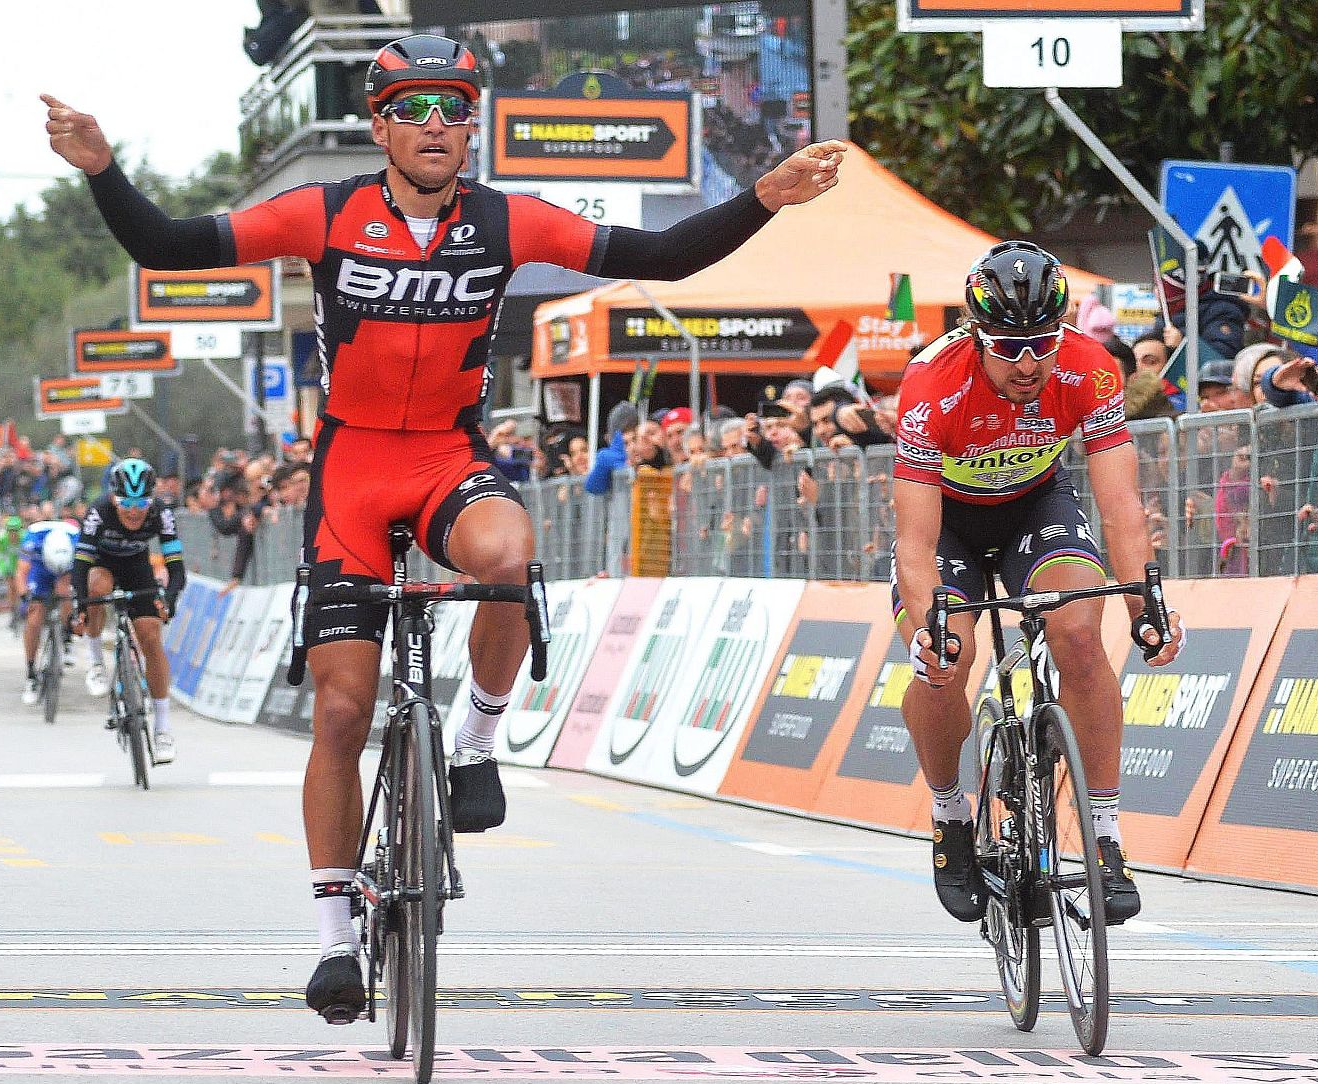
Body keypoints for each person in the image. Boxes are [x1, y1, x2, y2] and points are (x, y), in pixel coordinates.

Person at [43, 31, 845, 1024]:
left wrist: (764, 196)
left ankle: (474, 738)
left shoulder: (508, 222)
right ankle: (335, 936)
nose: (434, 123)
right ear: (378, 125)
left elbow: (663, 256)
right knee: (340, 709)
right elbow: (166, 247)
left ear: (473, 124)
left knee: (511, 555)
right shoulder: (325, 212)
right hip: (352, 469)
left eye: (453, 106)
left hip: (445, 459)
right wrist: (102, 169)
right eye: (413, 106)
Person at [892, 241, 1185, 929]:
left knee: (1081, 633)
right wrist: (929, 625)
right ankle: (950, 816)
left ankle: (1105, 837)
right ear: (975, 335)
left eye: (1042, 345)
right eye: (1006, 346)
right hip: (951, 527)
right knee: (947, 661)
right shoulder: (931, 386)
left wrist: (1148, 602)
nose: (1028, 364)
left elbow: (1119, 505)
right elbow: (915, 542)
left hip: (1036, 506)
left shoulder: (1090, 369)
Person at [70, 458, 185, 763]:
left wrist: (168, 600)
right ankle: (95, 661)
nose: (134, 510)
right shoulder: (99, 511)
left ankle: (162, 729)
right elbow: (80, 566)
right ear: (113, 497)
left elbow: (177, 569)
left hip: (137, 569)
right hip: (102, 566)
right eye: (126, 502)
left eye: (141, 502)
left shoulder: (162, 512)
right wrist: (79, 607)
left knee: (150, 636)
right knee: (96, 589)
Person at [18, 518, 80, 703]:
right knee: (34, 615)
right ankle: (31, 672)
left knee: (67, 593)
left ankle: (67, 636)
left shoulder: (76, 539)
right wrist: (24, 595)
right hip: (40, 569)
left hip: (67, 567)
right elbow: (21, 572)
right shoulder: (33, 539)